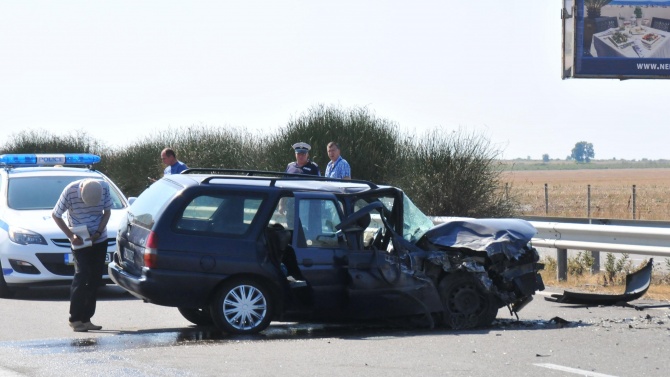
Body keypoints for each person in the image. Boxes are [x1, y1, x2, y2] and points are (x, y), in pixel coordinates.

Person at [52, 179, 112, 332]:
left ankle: (86, 318)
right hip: (79, 240)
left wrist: (98, 232)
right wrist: (71, 236)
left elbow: (107, 212)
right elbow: (56, 215)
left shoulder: (104, 187)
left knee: (95, 278)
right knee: (82, 274)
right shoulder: (70, 191)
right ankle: (75, 318)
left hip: (100, 238)